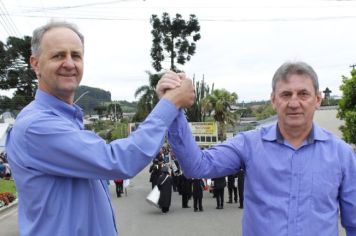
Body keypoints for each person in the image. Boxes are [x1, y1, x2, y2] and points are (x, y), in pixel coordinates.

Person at [5, 21, 195, 236]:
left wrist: (167, 104)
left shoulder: (67, 120)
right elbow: (119, 160)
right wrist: (170, 103)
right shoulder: (37, 126)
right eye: (58, 55)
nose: (69, 63)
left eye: (76, 55)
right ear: (36, 63)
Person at [157, 62, 356, 236]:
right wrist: (172, 105)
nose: (294, 103)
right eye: (286, 94)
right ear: (274, 100)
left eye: (303, 94)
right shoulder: (249, 145)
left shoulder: (341, 154)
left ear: (318, 100)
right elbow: (197, 166)